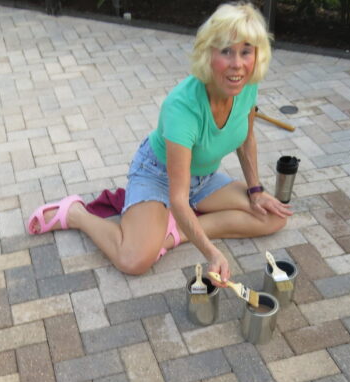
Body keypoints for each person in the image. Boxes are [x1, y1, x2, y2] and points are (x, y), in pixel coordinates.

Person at [26, 1, 292, 285]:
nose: (237, 64)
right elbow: (178, 198)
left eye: (245, 51)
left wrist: (256, 190)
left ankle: (174, 233)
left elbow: (246, 139)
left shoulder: (247, 86)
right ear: (208, 54)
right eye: (226, 51)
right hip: (158, 176)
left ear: (257, 55)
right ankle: (76, 214)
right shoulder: (182, 107)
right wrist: (212, 253)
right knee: (134, 260)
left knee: (273, 216)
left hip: (203, 179)